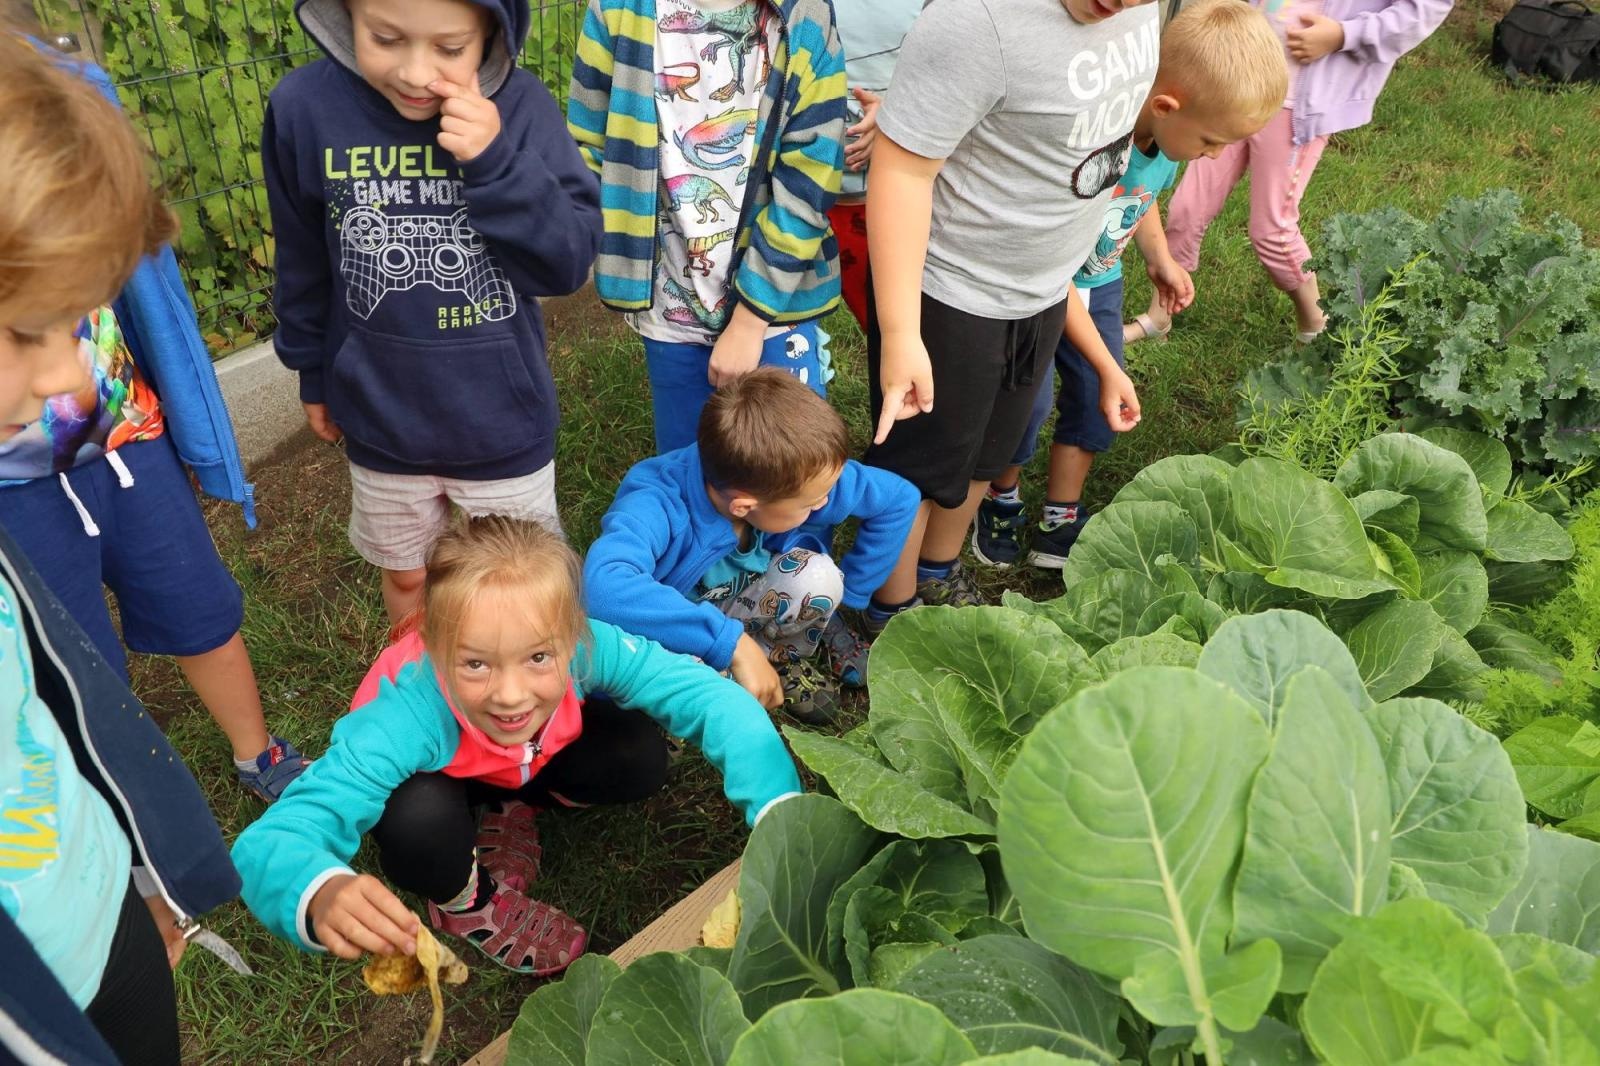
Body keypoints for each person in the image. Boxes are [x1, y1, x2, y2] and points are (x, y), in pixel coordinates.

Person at [232, 515, 802, 975]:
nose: (510, 695)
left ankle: (515, 802)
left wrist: (779, 813)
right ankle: (465, 902)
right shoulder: (403, 714)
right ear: (433, 645)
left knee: (640, 755)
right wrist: (318, 889)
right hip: (437, 779)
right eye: (475, 663)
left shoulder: (589, 646)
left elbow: (705, 696)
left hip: (522, 760)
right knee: (417, 821)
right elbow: (277, 838)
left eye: (538, 658)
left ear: (573, 636)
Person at [0, 35, 239, 1065]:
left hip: (98, 915)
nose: (66, 375)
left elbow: (57, 704)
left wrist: (144, 869)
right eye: (25, 332)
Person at [264, 0, 602, 624]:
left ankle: (525, 688)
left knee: (522, 589)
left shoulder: (521, 109)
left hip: (501, 418)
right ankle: (418, 684)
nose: (417, 73)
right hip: (380, 416)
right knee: (407, 577)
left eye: (449, 49)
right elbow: (302, 259)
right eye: (385, 38)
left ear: (493, 34)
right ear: (344, 14)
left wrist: (496, 162)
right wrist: (312, 370)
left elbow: (566, 263)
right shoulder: (303, 109)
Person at [858, 0, 1158, 632]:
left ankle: (938, 570)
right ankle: (890, 610)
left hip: (1044, 292)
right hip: (951, 293)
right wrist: (902, 332)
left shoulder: (1142, 12)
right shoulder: (976, 20)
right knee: (919, 471)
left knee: (988, 457)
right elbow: (902, 170)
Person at [973, 0, 1288, 568]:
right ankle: (1002, 498)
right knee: (1027, 403)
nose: (1215, 155)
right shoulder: (1101, 138)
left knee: (1097, 398)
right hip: (1042, 288)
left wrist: (1160, 259)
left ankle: (1060, 520)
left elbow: (1143, 199)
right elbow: (1059, 268)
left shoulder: (1167, 138)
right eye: (1211, 141)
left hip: (1101, 282)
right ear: (1166, 106)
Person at [567, 0, 847, 453]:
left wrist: (750, 323)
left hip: (776, 309)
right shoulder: (614, 12)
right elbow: (587, 149)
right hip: (671, 309)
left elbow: (810, 182)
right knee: (688, 464)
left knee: (789, 468)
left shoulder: (805, 17)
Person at [584, 369, 919, 724]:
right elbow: (601, 588)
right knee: (677, 679)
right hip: (672, 625)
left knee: (820, 579)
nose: (824, 503)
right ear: (744, 506)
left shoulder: (793, 470)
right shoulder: (658, 502)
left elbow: (898, 499)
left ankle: (772, 658)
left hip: (737, 606)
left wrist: (852, 592)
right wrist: (729, 642)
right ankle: (709, 687)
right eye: (810, 505)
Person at [1130, 0, 1453, 344]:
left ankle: (1315, 323)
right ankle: (1160, 314)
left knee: (1272, 230)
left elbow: (1426, 8)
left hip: (1297, 102)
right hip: (1231, 91)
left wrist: (1343, 34)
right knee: (1187, 208)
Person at [826, 0, 924, 330]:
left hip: (882, 201)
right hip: (787, 193)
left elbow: (954, 81)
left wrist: (893, 116)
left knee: (895, 332)